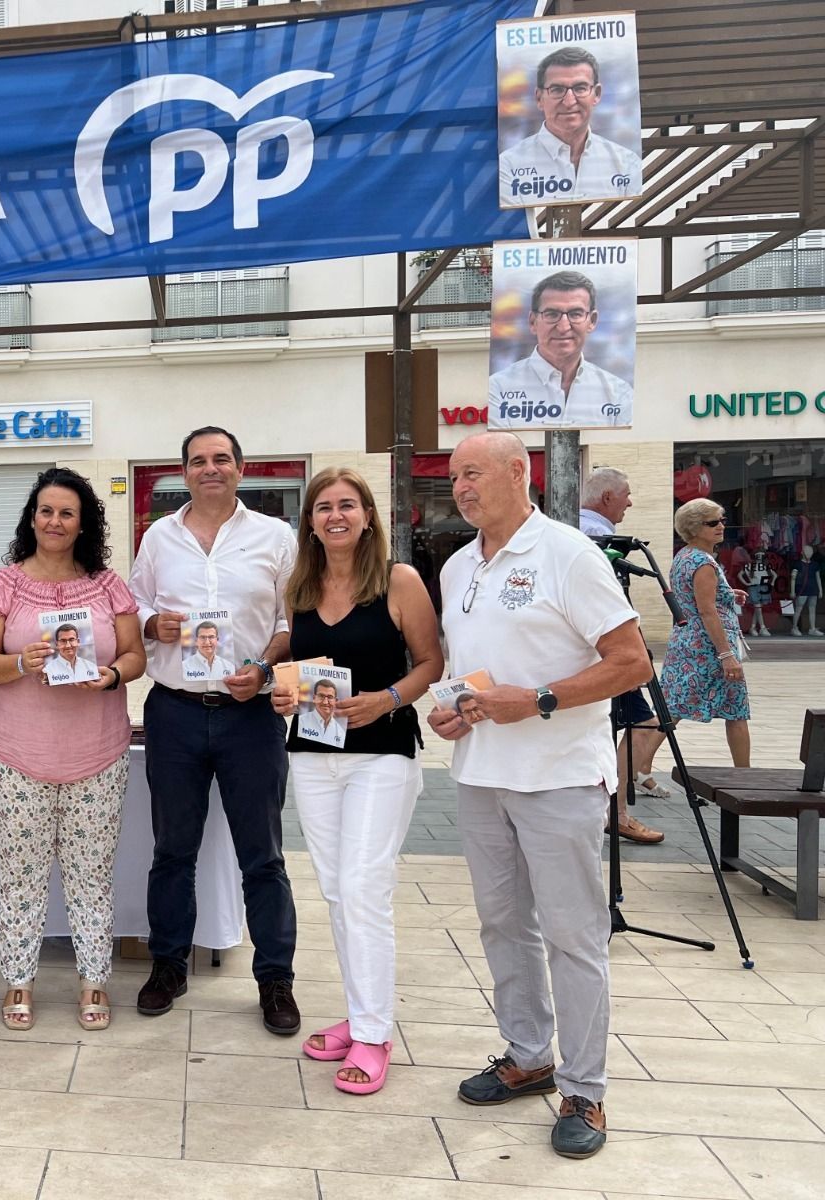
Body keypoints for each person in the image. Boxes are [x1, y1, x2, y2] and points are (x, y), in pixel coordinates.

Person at [428, 431, 650, 1160]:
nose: (460, 487)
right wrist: (452, 709)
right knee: (502, 926)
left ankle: (585, 1089)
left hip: (558, 776)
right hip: (481, 775)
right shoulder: (460, 564)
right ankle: (528, 1055)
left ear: (518, 475)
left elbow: (632, 663)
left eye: (473, 474)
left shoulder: (569, 553)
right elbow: (478, 671)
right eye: (454, 476)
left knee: (574, 936)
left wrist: (545, 700)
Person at [272, 466, 442, 1096]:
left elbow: (431, 661)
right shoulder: (300, 585)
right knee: (339, 892)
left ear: (368, 515)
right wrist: (280, 696)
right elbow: (292, 669)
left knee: (366, 888)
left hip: (382, 753)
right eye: (323, 508)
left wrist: (388, 698)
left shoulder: (398, 580)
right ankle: (360, 1011)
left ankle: (374, 1033)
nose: (335, 516)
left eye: (347, 505)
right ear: (309, 522)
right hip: (314, 756)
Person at [129, 426, 301, 1036]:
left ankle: (275, 979)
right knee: (172, 850)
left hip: (248, 715)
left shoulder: (275, 537)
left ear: (240, 467)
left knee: (264, 855)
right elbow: (134, 604)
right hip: (174, 710)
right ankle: (168, 965)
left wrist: (263, 667)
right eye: (198, 460)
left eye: (221, 459)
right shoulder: (158, 536)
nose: (210, 469)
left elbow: (289, 620)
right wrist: (155, 623)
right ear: (183, 471)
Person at [0, 467, 146, 1033]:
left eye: (67, 512)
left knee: (91, 874)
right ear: (32, 517)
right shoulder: (4, 584)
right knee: (20, 875)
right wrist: (22, 662)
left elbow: (136, 655)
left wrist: (113, 676)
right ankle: (18, 981)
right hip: (14, 755)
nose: (55, 521)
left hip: (97, 753)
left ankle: (95, 979)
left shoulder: (110, 585)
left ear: (83, 521)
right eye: (46, 511)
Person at [580, 467, 666, 845]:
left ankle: (609, 808)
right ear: (607, 497)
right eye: (626, 494)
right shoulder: (596, 538)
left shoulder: (573, 530)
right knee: (647, 722)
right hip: (605, 651)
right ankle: (614, 811)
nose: (631, 502)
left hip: (594, 651)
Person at [663, 500, 752, 771]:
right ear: (694, 527)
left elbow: (691, 597)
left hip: (686, 644)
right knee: (736, 712)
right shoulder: (703, 563)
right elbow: (707, 611)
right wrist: (727, 655)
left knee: (670, 712)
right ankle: (744, 775)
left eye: (722, 520)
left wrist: (727, 593)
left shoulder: (685, 556)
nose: (721, 526)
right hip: (708, 648)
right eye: (713, 522)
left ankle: (638, 769)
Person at [498, 45, 641, 207]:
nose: (569, 102)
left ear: (597, 94)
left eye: (580, 88)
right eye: (557, 89)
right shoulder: (509, 165)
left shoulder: (627, 164)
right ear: (539, 98)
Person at [488, 270, 632, 429]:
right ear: (532, 322)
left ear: (592, 321)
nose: (563, 327)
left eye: (575, 314)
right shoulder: (498, 389)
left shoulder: (619, 393)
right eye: (552, 314)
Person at [298, 678, 345, 748]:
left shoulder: (340, 732)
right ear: (314, 698)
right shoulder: (301, 722)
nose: (325, 702)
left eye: (330, 697)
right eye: (321, 696)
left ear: (336, 701)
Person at [791, 544, 823, 635]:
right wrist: (792, 591)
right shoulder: (797, 564)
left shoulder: (815, 565)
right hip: (801, 589)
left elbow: (818, 578)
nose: (808, 553)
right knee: (798, 609)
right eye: (806, 551)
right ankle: (794, 627)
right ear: (802, 552)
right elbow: (793, 578)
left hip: (813, 590)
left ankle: (812, 628)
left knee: (812, 609)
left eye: (810, 551)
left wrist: (820, 590)